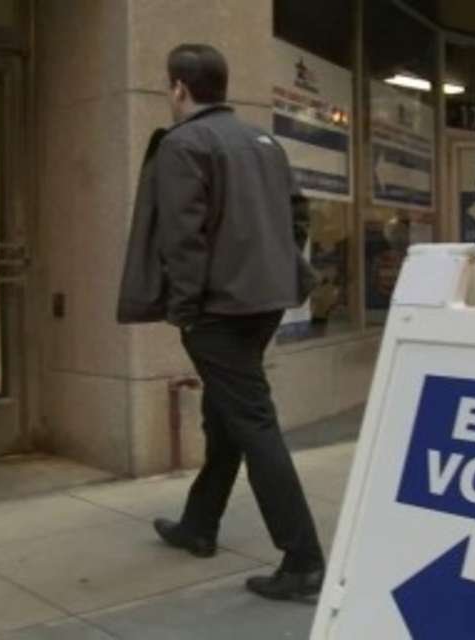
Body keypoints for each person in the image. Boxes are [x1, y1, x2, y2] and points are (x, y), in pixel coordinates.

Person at [116, 44, 324, 601]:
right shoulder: (263, 141)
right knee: (227, 414)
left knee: (251, 420)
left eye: (169, 87)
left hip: (217, 309)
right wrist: (276, 271)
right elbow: (298, 213)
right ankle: (199, 525)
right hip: (264, 301)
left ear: (180, 88)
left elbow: (182, 238)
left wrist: (184, 310)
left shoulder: (185, 143)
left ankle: (303, 558)